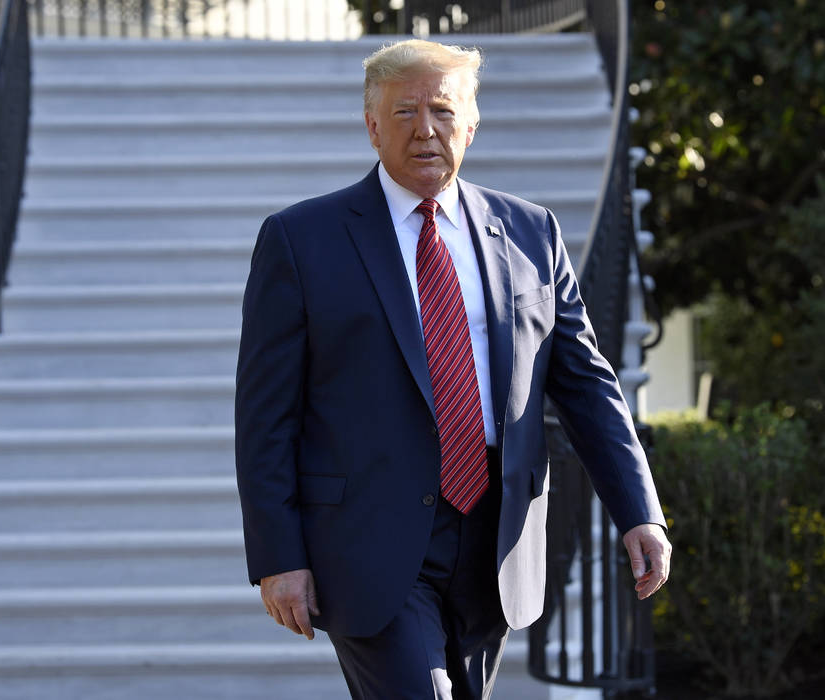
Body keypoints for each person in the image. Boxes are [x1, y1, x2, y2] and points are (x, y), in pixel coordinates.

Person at [235, 38, 671, 699]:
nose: (426, 129)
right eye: (405, 111)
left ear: (471, 121)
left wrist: (639, 510)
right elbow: (265, 417)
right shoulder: (302, 241)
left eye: (442, 109)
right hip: (367, 541)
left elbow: (586, 385)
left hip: (495, 534)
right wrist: (278, 556)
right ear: (371, 124)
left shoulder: (531, 233)